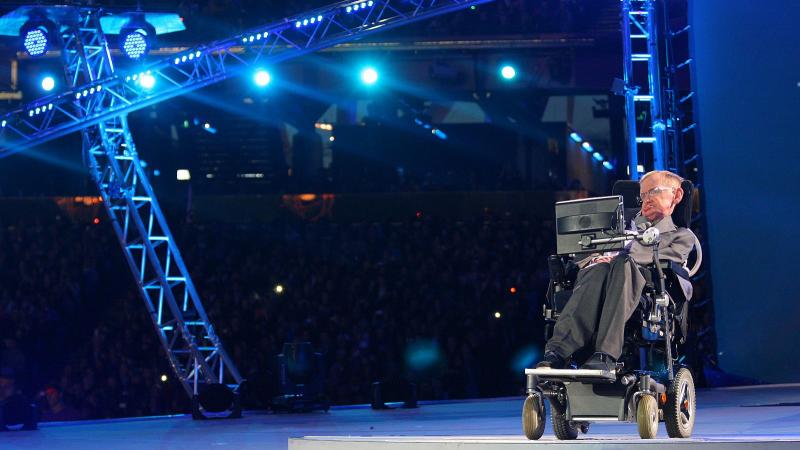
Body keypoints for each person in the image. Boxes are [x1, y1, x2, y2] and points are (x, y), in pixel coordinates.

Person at [537, 170, 696, 372]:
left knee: (622, 264)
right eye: (643, 195)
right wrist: (595, 258)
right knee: (597, 269)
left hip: (644, 286)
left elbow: (661, 259)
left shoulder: (681, 235)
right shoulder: (617, 227)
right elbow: (584, 254)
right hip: (602, 279)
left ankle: (606, 354)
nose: (645, 200)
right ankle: (558, 352)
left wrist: (620, 252)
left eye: (653, 192)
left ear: (677, 195)